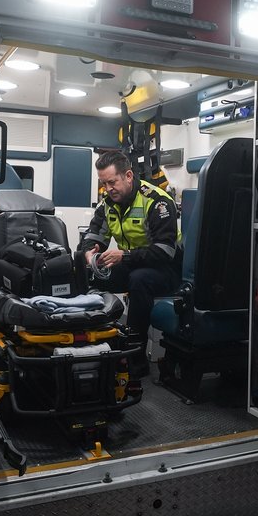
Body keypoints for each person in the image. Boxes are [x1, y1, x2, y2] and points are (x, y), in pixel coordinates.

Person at [79, 151, 182, 374]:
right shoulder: (107, 205)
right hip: (134, 263)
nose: (108, 189)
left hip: (166, 270)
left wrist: (123, 256)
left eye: (112, 182)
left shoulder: (157, 202)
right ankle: (89, 345)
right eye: (104, 183)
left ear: (128, 176)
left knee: (139, 280)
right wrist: (89, 253)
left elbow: (165, 251)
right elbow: (92, 236)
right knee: (88, 276)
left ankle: (135, 358)